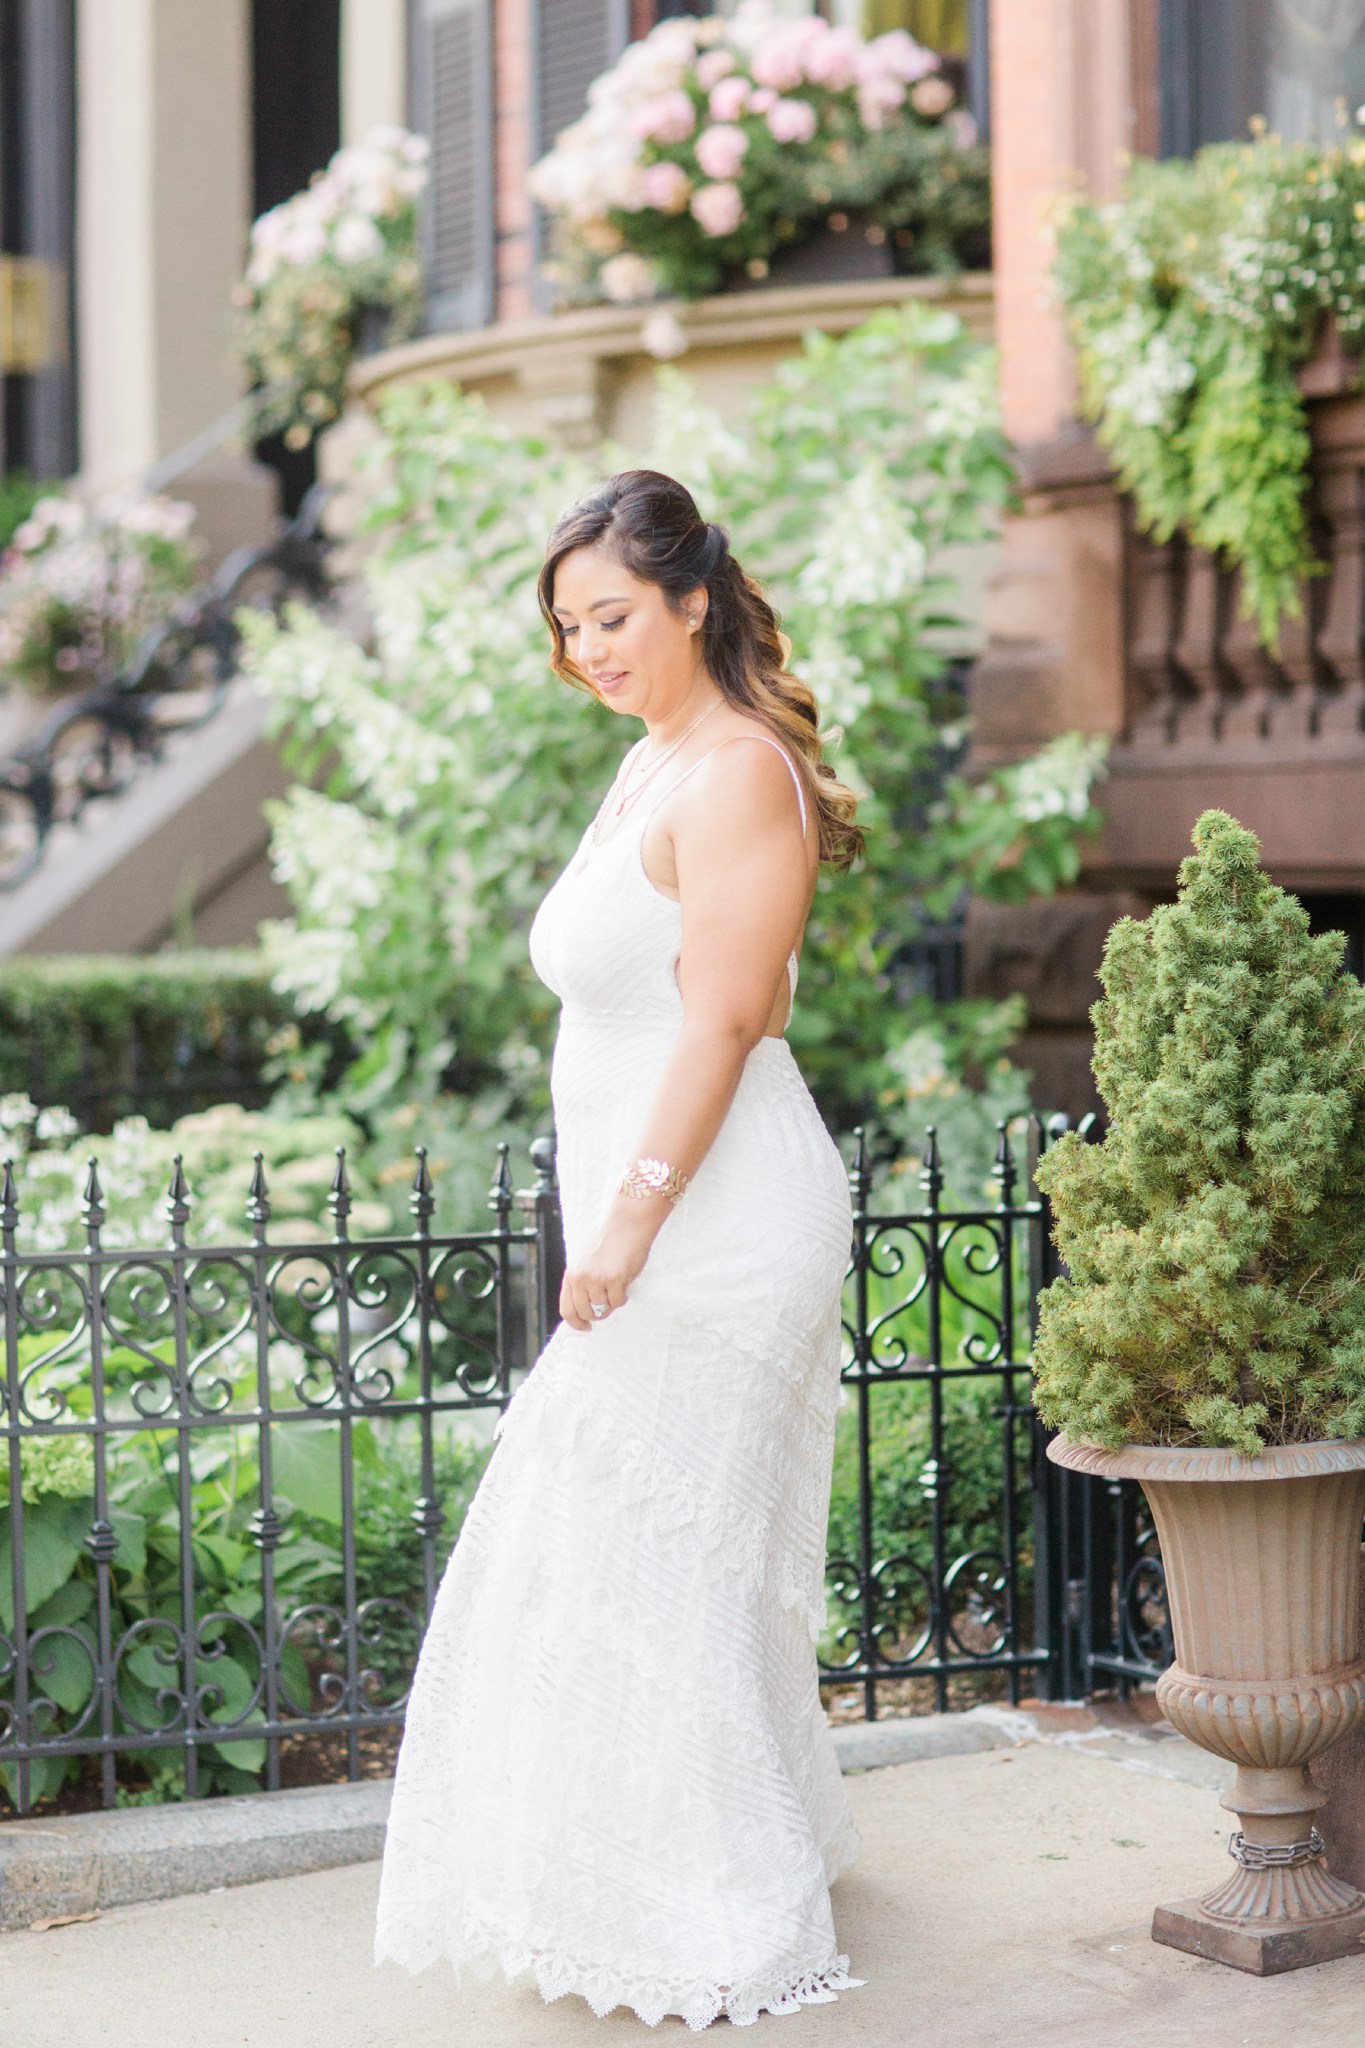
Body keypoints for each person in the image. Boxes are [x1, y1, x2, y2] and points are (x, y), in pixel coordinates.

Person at [375, 469, 865, 2029]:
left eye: (612, 617)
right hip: (659, 1214)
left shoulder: (733, 769)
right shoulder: (654, 761)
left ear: (693, 601)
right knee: (640, 1558)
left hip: (715, 1229)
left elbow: (731, 1016)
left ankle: (714, 1914)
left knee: (644, 1557)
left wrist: (632, 1219)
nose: (587, 647)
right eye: (569, 624)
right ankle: (671, 1873)